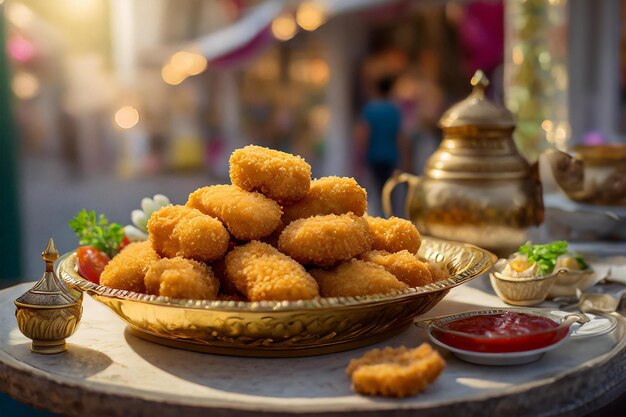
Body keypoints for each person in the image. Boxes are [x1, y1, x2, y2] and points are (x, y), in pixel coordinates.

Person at [355, 75, 407, 215]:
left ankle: (381, 218)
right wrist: (405, 159)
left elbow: (364, 135)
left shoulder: (370, 109)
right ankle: (391, 216)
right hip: (391, 155)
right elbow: (400, 137)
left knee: (377, 190)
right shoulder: (394, 110)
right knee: (391, 190)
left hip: (374, 156)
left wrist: (360, 156)